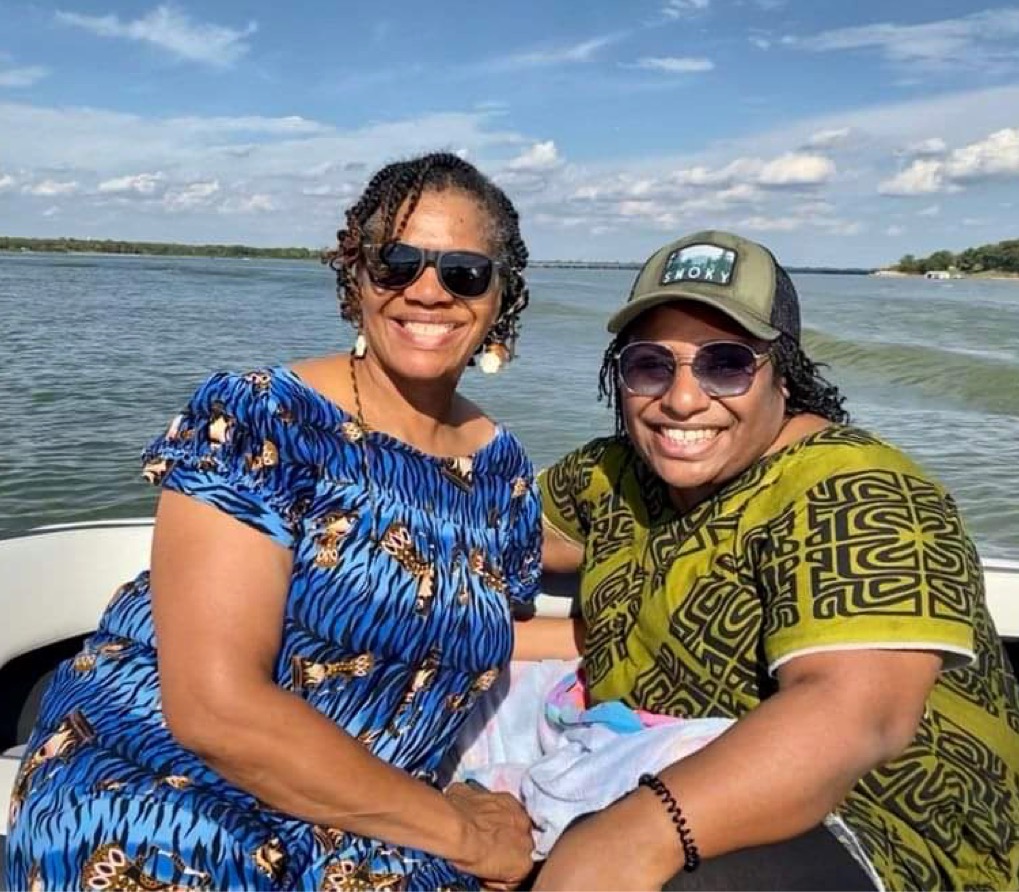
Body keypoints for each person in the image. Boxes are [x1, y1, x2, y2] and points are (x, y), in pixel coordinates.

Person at [5, 152, 550, 891]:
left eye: (463, 272)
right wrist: (463, 834)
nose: (427, 291)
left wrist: (632, 623)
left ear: (500, 293)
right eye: (396, 263)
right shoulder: (264, 417)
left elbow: (478, 625)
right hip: (164, 788)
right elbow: (215, 711)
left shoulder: (501, 470)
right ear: (355, 274)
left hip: (374, 821)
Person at [534, 230, 1019, 890]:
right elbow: (486, 534)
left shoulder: (858, 490)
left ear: (782, 374)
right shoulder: (614, 474)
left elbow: (854, 714)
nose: (681, 399)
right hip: (651, 764)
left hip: (882, 833)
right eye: (650, 364)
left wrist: (631, 837)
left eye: (725, 364)